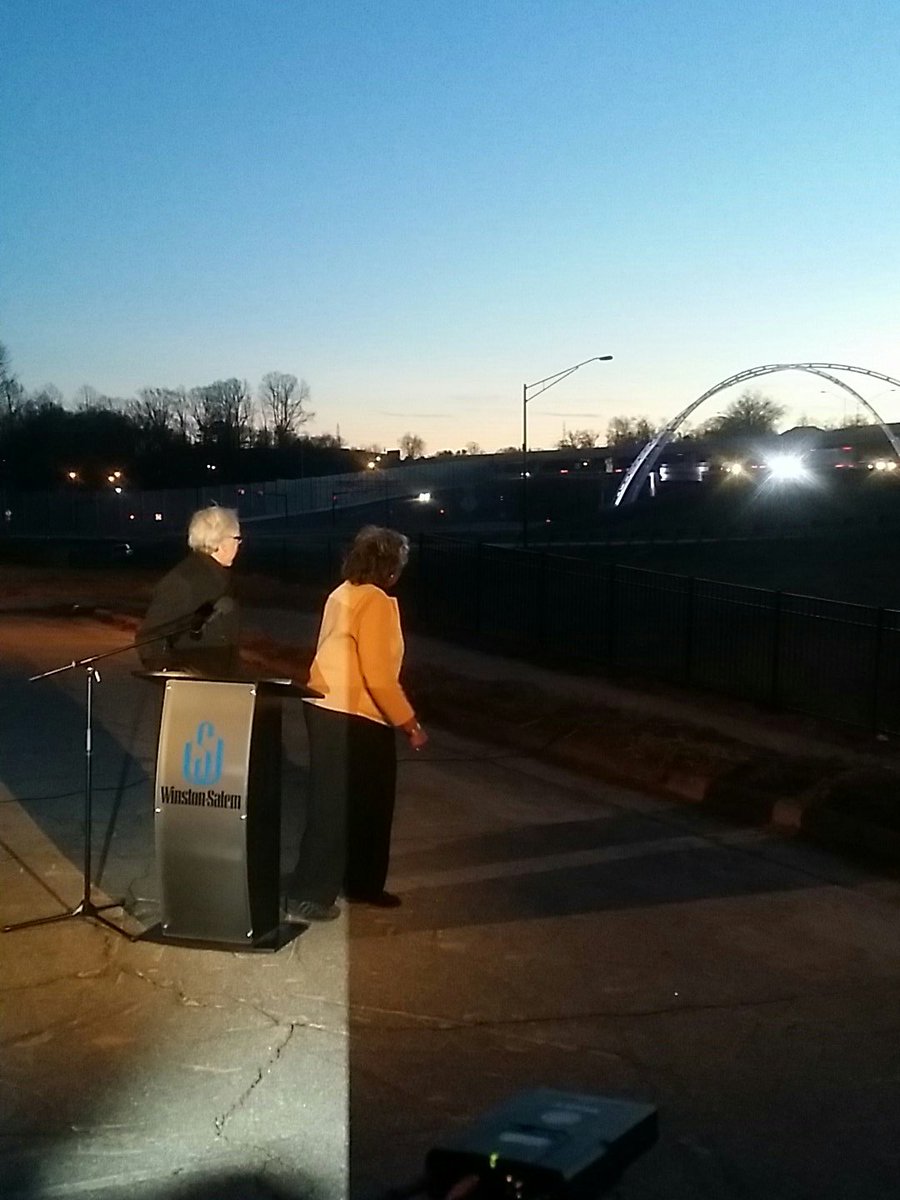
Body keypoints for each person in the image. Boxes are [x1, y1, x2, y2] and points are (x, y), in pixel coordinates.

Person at [286, 525, 427, 923]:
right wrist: (409, 722)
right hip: (354, 712)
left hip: (327, 704)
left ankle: (358, 882)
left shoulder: (341, 593)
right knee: (348, 804)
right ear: (390, 567)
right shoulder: (377, 602)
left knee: (355, 800)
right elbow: (379, 675)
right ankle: (312, 892)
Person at [136, 504, 242, 676]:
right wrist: (174, 674)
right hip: (194, 688)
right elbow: (149, 638)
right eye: (236, 538)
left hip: (222, 682)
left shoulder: (221, 576)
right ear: (220, 541)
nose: (238, 544)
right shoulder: (183, 580)